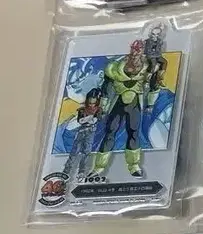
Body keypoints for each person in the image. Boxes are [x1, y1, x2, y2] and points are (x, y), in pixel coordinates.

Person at [93, 39, 165, 177]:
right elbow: (106, 89)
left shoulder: (149, 68)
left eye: (139, 49)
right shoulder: (114, 67)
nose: (136, 52)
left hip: (135, 104)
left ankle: (134, 165)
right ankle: (99, 167)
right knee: (110, 133)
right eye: (134, 49)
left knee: (133, 133)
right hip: (117, 103)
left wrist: (150, 104)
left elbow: (154, 86)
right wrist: (103, 107)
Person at [62, 88, 102, 181]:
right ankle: (66, 171)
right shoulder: (82, 109)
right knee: (74, 152)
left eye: (94, 102)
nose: (91, 104)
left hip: (90, 133)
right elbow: (80, 120)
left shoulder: (98, 110)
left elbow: (94, 120)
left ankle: (81, 172)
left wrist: (88, 119)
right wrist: (89, 118)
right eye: (90, 102)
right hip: (81, 132)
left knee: (86, 153)